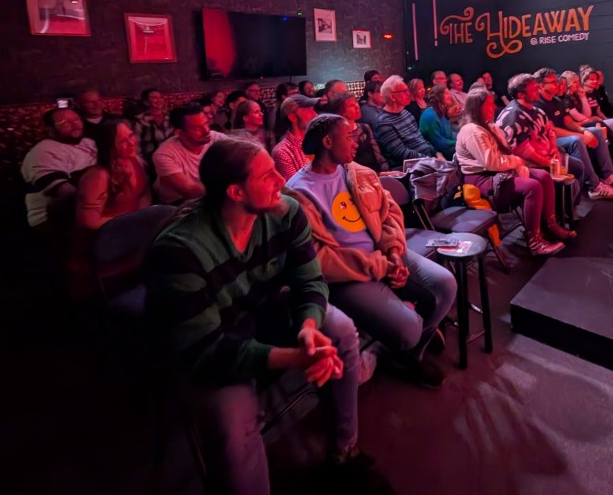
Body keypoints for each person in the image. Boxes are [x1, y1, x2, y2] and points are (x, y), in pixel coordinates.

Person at [146, 138, 391, 494]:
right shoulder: (179, 251)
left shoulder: (286, 212)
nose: (281, 179)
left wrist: (308, 327)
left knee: (338, 330)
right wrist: (294, 357)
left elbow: (309, 280)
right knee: (231, 422)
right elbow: (203, 351)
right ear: (235, 191)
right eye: (267, 175)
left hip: (263, 311)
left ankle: (344, 452)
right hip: (214, 346)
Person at [287, 115, 455, 388]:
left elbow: (389, 214)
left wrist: (392, 251)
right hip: (348, 274)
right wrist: (383, 266)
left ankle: (410, 353)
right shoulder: (299, 192)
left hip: (383, 255)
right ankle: (397, 344)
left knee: (445, 284)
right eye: (349, 136)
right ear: (328, 141)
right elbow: (320, 259)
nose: (357, 141)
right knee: (408, 329)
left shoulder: (357, 172)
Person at [456, 88, 574, 256]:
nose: (493, 108)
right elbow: (492, 163)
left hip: (500, 172)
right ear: (477, 108)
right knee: (532, 186)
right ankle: (534, 240)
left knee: (544, 176)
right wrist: (517, 162)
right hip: (483, 180)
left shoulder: (490, 126)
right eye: (489, 105)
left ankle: (550, 224)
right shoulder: (471, 131)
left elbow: (505, 153)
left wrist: (516, 162)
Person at [69, 119, 152, 299]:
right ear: (108, 146)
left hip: (132, 232)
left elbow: (143, 194)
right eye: (122, 141)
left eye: (131, 136)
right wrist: (132, 221)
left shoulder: (135, 161)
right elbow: (88, 222)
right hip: (107, 241)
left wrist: (143, 219)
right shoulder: (98, 175)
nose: (131, 143)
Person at [533, 68, 613, 198]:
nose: (557, 84)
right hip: (550, 140)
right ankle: (594, 186)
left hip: (564, 134)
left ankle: (609, 176)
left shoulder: (556, 101)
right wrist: (581, 135)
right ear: (541, 85)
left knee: (595, 131)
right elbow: (552, 130)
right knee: (576, 140)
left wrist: (584, 130)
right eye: (553, 82)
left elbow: (568, 121)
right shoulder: (537, 104)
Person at [22, 107, 97, 231]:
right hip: (54, 220)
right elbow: (65, 192)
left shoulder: (88, 143)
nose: (74, 124)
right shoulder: (43, 151)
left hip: (88, 210)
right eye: (64, 122)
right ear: (50, 128)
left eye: (76, 119)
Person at [152, 103, 229, 204]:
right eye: (197, 128)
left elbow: (242, 155)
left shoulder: (216, 138)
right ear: (179, 133)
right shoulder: (164, 154)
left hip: (214, 195)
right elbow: (189, 190)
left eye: (206, 123)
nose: (206, 131)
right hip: (178, 204)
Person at [372, 76, 438, 169]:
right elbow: (401, 153)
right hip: (409, 168)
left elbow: (421, 139)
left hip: (426, 160)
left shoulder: (406, 113)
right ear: (392, 96)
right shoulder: (383, 123)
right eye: (404, 91)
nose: (408, 94)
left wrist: (437, 153)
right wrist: (429, 160)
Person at [328, 92, 388, 172]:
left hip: (377, 172)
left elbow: (378, 155)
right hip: (359, 176)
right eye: (351, 105)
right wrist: (379, 175)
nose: (357, 107)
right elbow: (348, 168)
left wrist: (387, 171)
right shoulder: (338, 135)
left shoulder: (365, 127)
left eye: (356, 103)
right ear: (340, 112)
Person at [272, 94, 320, 180]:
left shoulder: (319, 141)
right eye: (308, 110)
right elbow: (296, 190)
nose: (315, 115)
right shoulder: (282, 152)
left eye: (313, 109)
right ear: (293, 118)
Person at [418, 85, 457, 158]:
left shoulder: (442, 111)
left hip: (447, 147)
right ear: (438, 96)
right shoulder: (430, 116)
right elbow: (440, 144)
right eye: (446, 93)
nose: (450, 96)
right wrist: (459, 142)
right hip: (438, 152)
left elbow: (449, 135)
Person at [133, 88, 171, 160]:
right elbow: (136, 143)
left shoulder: (170, 117)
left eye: (160, 97)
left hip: (171, 156)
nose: (159, 100)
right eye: (154, 98)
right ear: (146, 101)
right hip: (150, 158)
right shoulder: (140, 120)